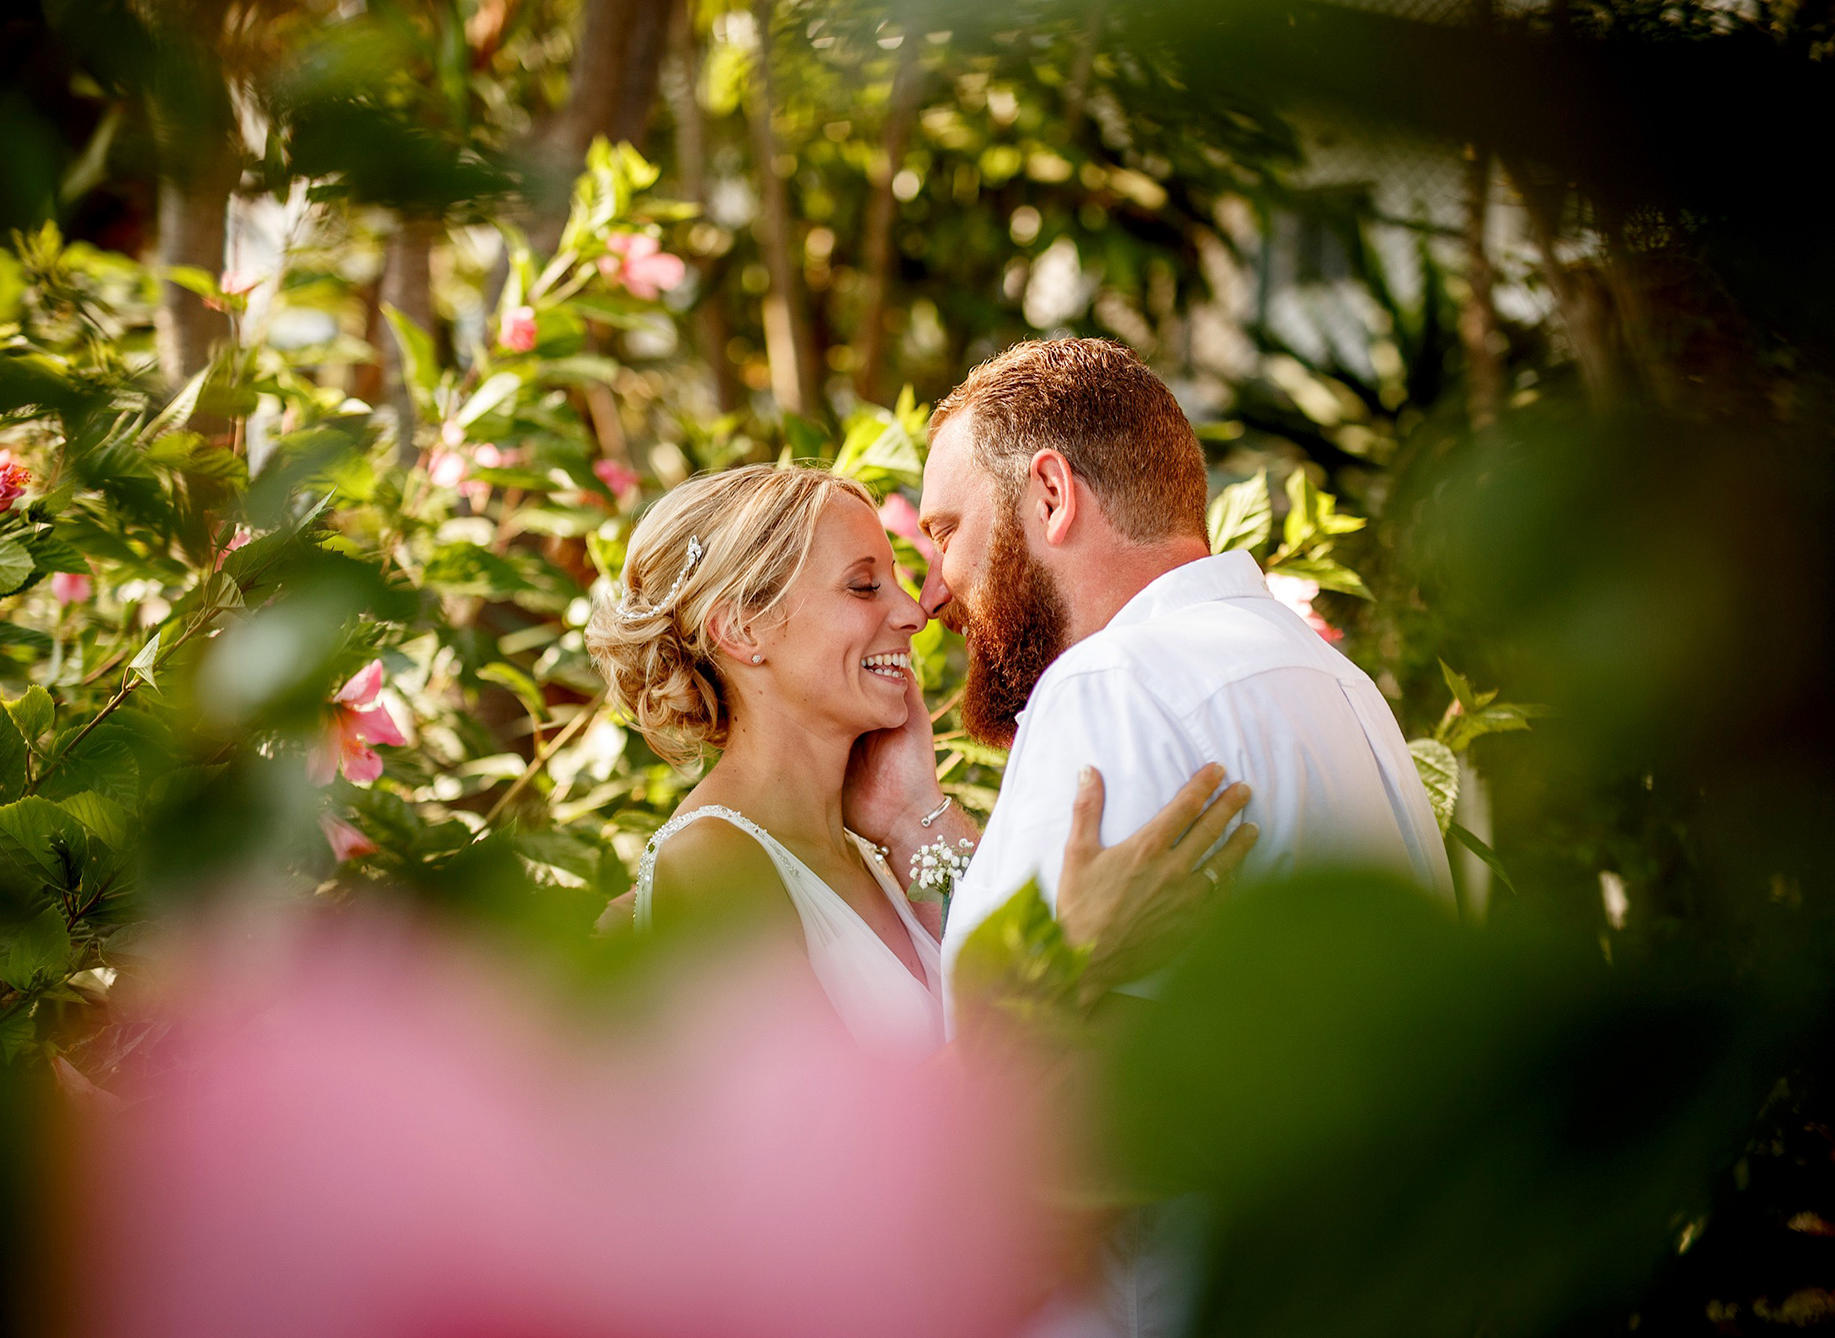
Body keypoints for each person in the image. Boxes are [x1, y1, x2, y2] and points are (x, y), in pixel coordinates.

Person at [842, 336, 1455, 1338]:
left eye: (947, 532)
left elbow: (1041, 1142)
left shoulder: (1110, 686)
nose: (936, 588)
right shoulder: (1326, 683)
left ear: (1049, 493)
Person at [586, 465, 1254, 1056]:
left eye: (898, 583)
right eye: (863, 586)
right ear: (741, 629)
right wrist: (1069, 957)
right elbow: (839, 1156)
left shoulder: (872, 855)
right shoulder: (709, 866)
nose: (913, 613)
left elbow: (983, 980)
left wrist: (913, 815)